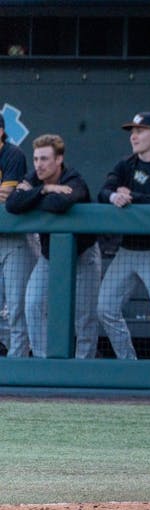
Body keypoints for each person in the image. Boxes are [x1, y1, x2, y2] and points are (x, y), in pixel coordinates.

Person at [96, 112, 150, 361]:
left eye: (140, 130)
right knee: (105, 308)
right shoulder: (126, 164)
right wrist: (115, 196)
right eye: (132, 131)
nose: (134, 136)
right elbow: (104, 190)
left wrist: (133, 196)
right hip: (128, 250)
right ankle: (128, 363)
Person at [6, 134, 100, 359]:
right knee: (33, 304)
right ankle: (43, 361)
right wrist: (45, 190)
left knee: (84, 317)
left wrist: (34, 196)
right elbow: (12, 204)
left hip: (83, 255)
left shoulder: (74, 178)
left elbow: (60, 204)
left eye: (45, 159)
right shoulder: (35, 178)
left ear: (59, 160)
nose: (39, 164)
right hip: (49, 257)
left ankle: (82, 370)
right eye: (36, 159)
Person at [0, 114, 38, 357]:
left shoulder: (12, 154)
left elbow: (7, 198)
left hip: (16, 240)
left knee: (17, 307)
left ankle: (19, 361)